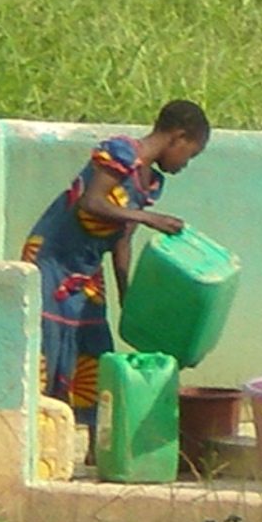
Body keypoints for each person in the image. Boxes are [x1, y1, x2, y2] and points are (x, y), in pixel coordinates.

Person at [21, 100, 209, 429]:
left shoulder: (150, 183)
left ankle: (93, 442)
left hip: (87, 270)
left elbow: (122, 241)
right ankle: (40, 434)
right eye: (189, 155)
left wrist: (128, 300)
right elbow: (91, 202)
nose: (185, 165)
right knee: (48, 345)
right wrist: (149, 218)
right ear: (178, 137)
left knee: (94, 352)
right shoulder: (121, 153)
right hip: (53, 260)